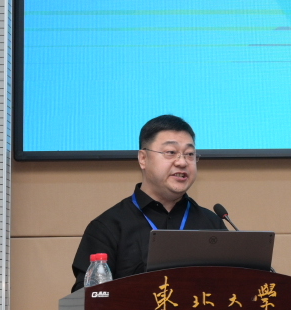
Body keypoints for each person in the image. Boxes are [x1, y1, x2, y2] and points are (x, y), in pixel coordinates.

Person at [69, 114, 226, 290]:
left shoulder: (213, 224)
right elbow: (86, 299)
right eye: (171, 152)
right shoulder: (108, 227)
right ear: (143, 158)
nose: (182, 162)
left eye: (190, 154)